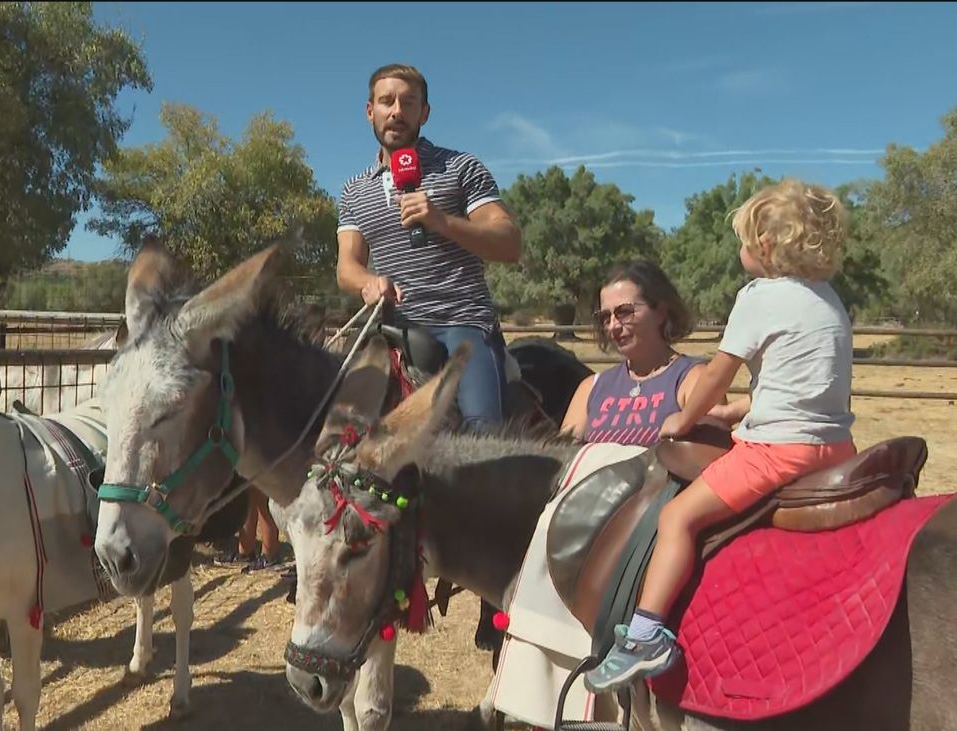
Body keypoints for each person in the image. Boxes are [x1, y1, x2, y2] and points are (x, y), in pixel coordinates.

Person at [584, 179, 857, 693]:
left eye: (745, 241)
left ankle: (645, 636)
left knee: (677, 517)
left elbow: (716, 374)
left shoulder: (759, 296)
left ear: (767, 246)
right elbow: (804, 385)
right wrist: (739, 410)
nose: (740, 251)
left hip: (776, 453)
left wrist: (683, 421)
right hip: (836, 448)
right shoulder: (830, 300)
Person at [335, 63, 521, 650]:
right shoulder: (355, 190)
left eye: (407, 101)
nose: (396, 111)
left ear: (424, 113)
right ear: (369, 112)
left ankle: (500, 598)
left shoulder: (460, 168)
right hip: (396, 328)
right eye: (385, 101)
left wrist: (442, 221)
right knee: (344, 441)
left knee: (489, 446)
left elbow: (509, 243)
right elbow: (346, 264)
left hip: (464, 325)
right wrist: (367, 282)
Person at [560, 260, 741, 446]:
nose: (613, 326)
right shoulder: (590, 388)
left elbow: (709, 458)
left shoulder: (694, 379)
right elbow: (565, 463)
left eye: (624, 312)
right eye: (606, 317)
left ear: (661, 312)